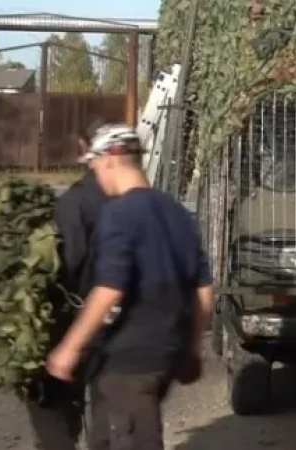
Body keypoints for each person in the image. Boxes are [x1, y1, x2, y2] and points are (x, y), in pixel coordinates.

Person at [46, 123, 214, 450]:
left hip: (130, 359)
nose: (96, 177)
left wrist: (71, 346)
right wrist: (192, 349)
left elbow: (109, 289)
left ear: (110, 159)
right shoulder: (177, 212)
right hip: (166, 354)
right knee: (105, 439)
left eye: (95, 167)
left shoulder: (119, 214)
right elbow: (203, 288)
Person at [26, 120, 108, 450]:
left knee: (48, 399)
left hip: (85, 323)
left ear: (84, 147)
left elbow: (67, 265)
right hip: (138, 330)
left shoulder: (76, 204)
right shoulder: (148, 200)